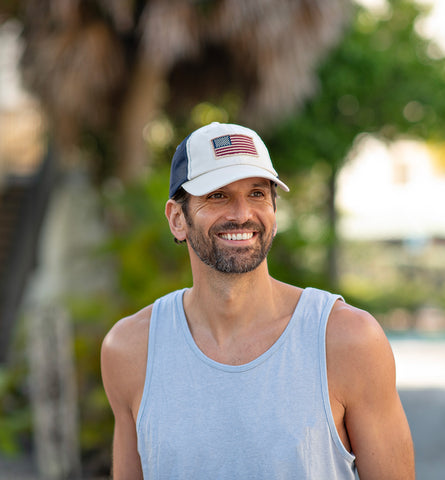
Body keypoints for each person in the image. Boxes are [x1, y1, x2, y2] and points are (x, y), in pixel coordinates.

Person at [101, 122, 415, 479]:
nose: (241, 214)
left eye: (257, 194)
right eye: (217, 195)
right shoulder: (130, 349)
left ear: (274, 213)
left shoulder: (348, 339)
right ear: (177, 219)